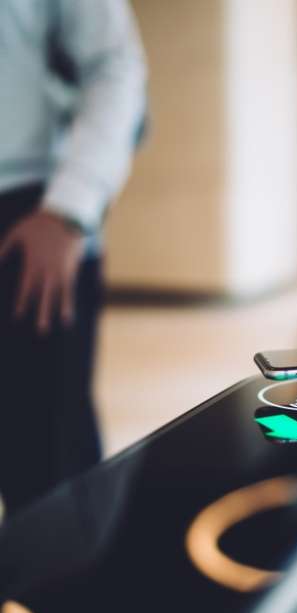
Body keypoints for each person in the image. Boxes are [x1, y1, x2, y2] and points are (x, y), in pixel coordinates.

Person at [0, 0, 146, 515]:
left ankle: (58, 595)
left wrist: (68, 209)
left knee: (48, 471)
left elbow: (114, 64)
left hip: (30, 210)